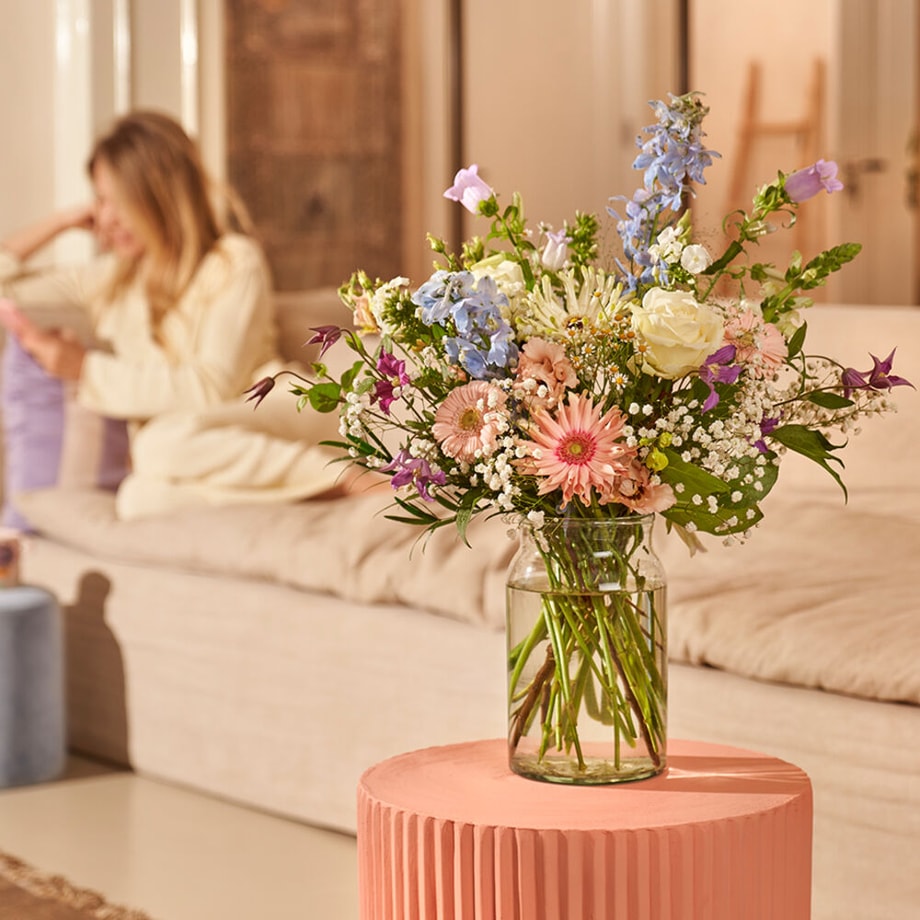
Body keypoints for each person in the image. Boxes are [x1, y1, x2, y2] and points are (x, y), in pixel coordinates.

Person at [0, 110, 346, 519]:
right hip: (196, 445)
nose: (105, 218)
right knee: (139, 499)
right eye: (99, 200)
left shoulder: (233, 262)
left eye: (116, 201)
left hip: (267, 410)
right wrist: (62, 221)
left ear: (158, 196)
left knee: (158, 445)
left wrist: (85, 371)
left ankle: (345, 479)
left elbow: (211, 387)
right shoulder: (112, 282)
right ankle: (305, 494)